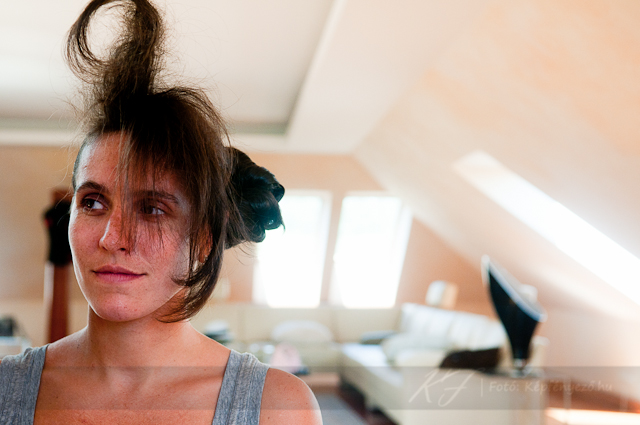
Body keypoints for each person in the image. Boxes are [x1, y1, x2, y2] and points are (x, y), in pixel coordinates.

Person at [0, 0, 322, 424]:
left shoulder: (276, 408)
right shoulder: (6, 391)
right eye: (93, 202)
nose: (112, 237)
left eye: (152, 208)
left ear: (203, 239)